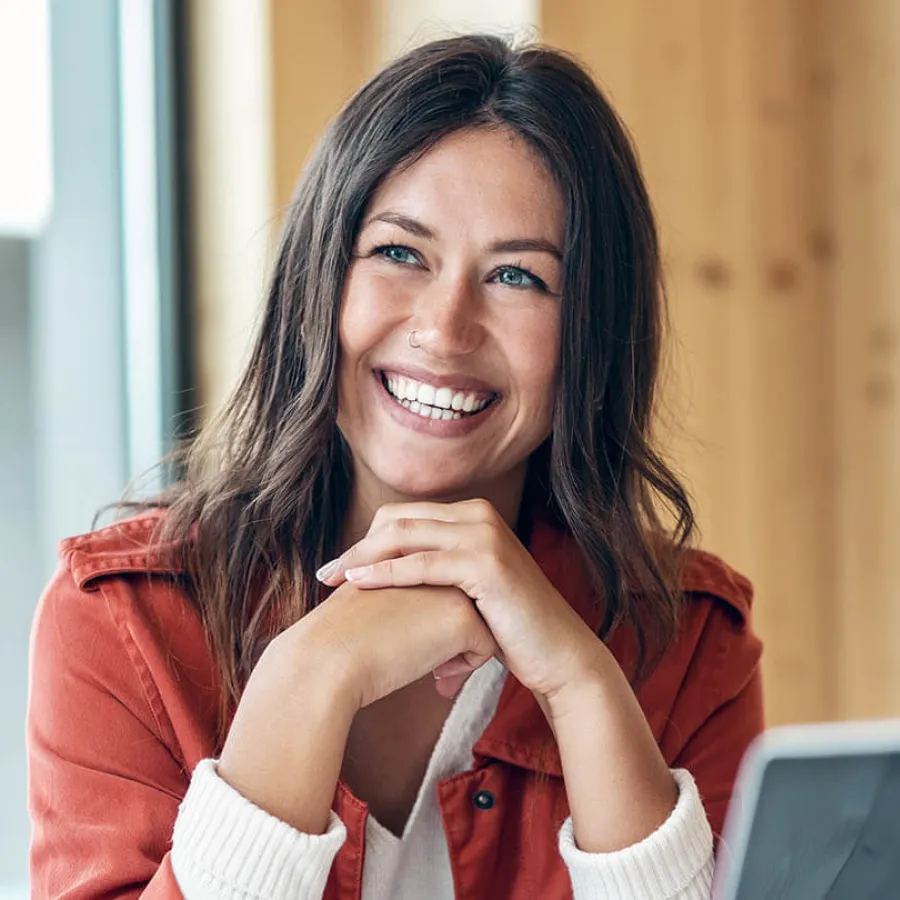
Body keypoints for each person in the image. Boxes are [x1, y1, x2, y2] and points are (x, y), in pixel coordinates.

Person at [27, 34, 763, 900]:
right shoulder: (126, 624)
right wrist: (310, 678)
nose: (445, 330)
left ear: (590, 339)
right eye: (400, 254)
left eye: (519, 277)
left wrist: (581, 682)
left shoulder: (688, 644)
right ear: (319, 280)